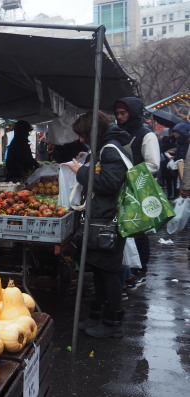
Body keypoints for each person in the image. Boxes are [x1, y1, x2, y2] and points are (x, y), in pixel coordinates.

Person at [63, 111, 130, 338]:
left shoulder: (110, 148)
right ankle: (97, 317)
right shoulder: (105, 147)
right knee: (100, 270)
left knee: (108, 271)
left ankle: (113, 323)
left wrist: (80, 171)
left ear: (93, 131)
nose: (81, 139)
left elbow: (109, 183)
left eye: (83, 134)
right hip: (102, 218)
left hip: (108, 220)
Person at [114, 97, 161, 285]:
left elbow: (153, 164)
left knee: (138, 230)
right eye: (117, 113)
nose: (119, 117)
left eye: (123, 113)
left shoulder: (147, 135)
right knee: (124, 230)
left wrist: (128, 173)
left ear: (133, 113)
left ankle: (141, 268)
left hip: (138, 188)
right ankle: (128, 269)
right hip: (120, 188)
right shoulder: (118, 132)